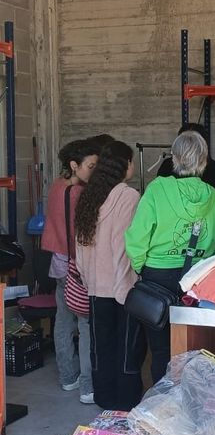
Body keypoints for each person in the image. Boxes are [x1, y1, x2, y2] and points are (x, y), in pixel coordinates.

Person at [126, 130, 215, 384]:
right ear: (205, 161)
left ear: (174, 158)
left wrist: (141, 267)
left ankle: (164, 402)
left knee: (161, 350)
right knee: (198, 348)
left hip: (156, 278)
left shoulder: (157, 190)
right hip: (199, 281)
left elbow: (136, 237)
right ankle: (194, 400)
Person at [75, 141, 146, 410]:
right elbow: (123, 245)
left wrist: (88, 280)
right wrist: (126, 284)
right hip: (122, 287)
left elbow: (80, 246)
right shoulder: (128, 196)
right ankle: (126, 400)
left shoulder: (90, 196)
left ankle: (104, 398)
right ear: (125, 164)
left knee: (101, 348)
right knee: (127, 350)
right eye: (131, 161)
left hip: (96, 287)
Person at [41, 139, 99, 404]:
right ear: (74, 165)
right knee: (85, 324)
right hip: (76, 264)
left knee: (63, 321)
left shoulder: (56, 186)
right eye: (91, 166)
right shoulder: (77, 193)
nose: (94, 171)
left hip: (57, 262)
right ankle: (87, 387)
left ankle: (68, 377)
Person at [158, 123, 215, 191]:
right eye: (184, 141)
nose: (189, 146)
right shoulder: (167, 165)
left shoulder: (211, 167)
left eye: (194, 142)